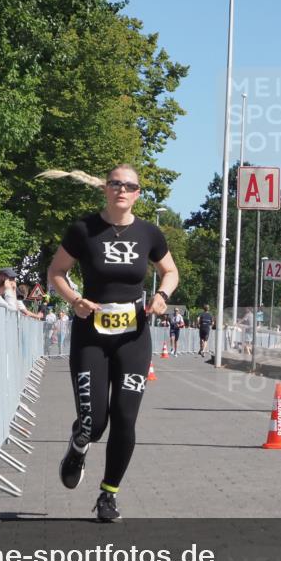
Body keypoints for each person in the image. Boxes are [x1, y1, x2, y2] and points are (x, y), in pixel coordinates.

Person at [47, 163, 178, 522]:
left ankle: (108, 495)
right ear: (105, 189)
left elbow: (170, 270)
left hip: (133, 337)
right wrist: (74, 300)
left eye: (129, 185)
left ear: (138, 194)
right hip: (91, 334)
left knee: (124, 417)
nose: (121, 189)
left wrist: (162, 296)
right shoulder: (83, 230)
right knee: (94, 422)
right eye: (115, 184)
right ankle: (78, 446)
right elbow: (56, 271)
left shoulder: (150, 233)